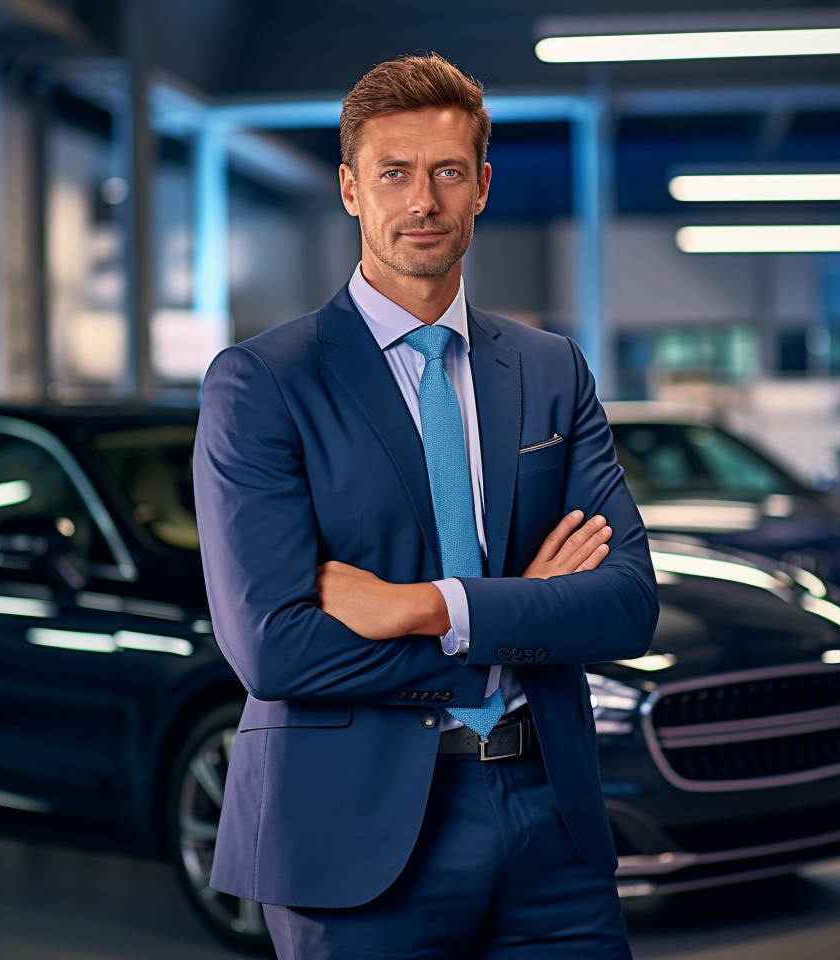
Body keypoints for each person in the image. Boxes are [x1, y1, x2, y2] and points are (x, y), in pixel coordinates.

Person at [193, 52, 659, 960]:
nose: (423, 203)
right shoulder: (261, 383)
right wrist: (515, 620)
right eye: (394, 174)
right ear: (350, 190)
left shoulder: (548, 369)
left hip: (551, 820)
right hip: (354, 829)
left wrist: (434, 607)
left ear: (481, 186)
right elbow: (274, 645)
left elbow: (628, 600)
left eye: (448, 173)